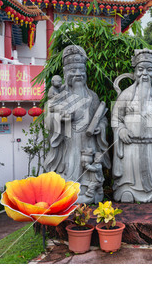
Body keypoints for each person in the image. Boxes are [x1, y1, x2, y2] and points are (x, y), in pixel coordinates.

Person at [44, 45, 110, 204]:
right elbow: (49, 120)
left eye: (81, 71)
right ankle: (69, 190)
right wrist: (61, 118)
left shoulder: (92, 96)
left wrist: (99, 127)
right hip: (69, 142)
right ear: (66, 74)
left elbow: (102, 119)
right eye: (73, 71)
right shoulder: (59, 96)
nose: (78, 74)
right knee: (71, 164)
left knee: (90, 169)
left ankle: (91, 190)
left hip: (90, 143)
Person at [111, 48, 152, 203]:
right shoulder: (126, 94)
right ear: (135, 72)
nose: (145, 74)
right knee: (127, 186)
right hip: (131, 147)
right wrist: (121, 130)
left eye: (149, 70)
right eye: (140, 70)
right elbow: (115, 118)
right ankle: (127, 188)